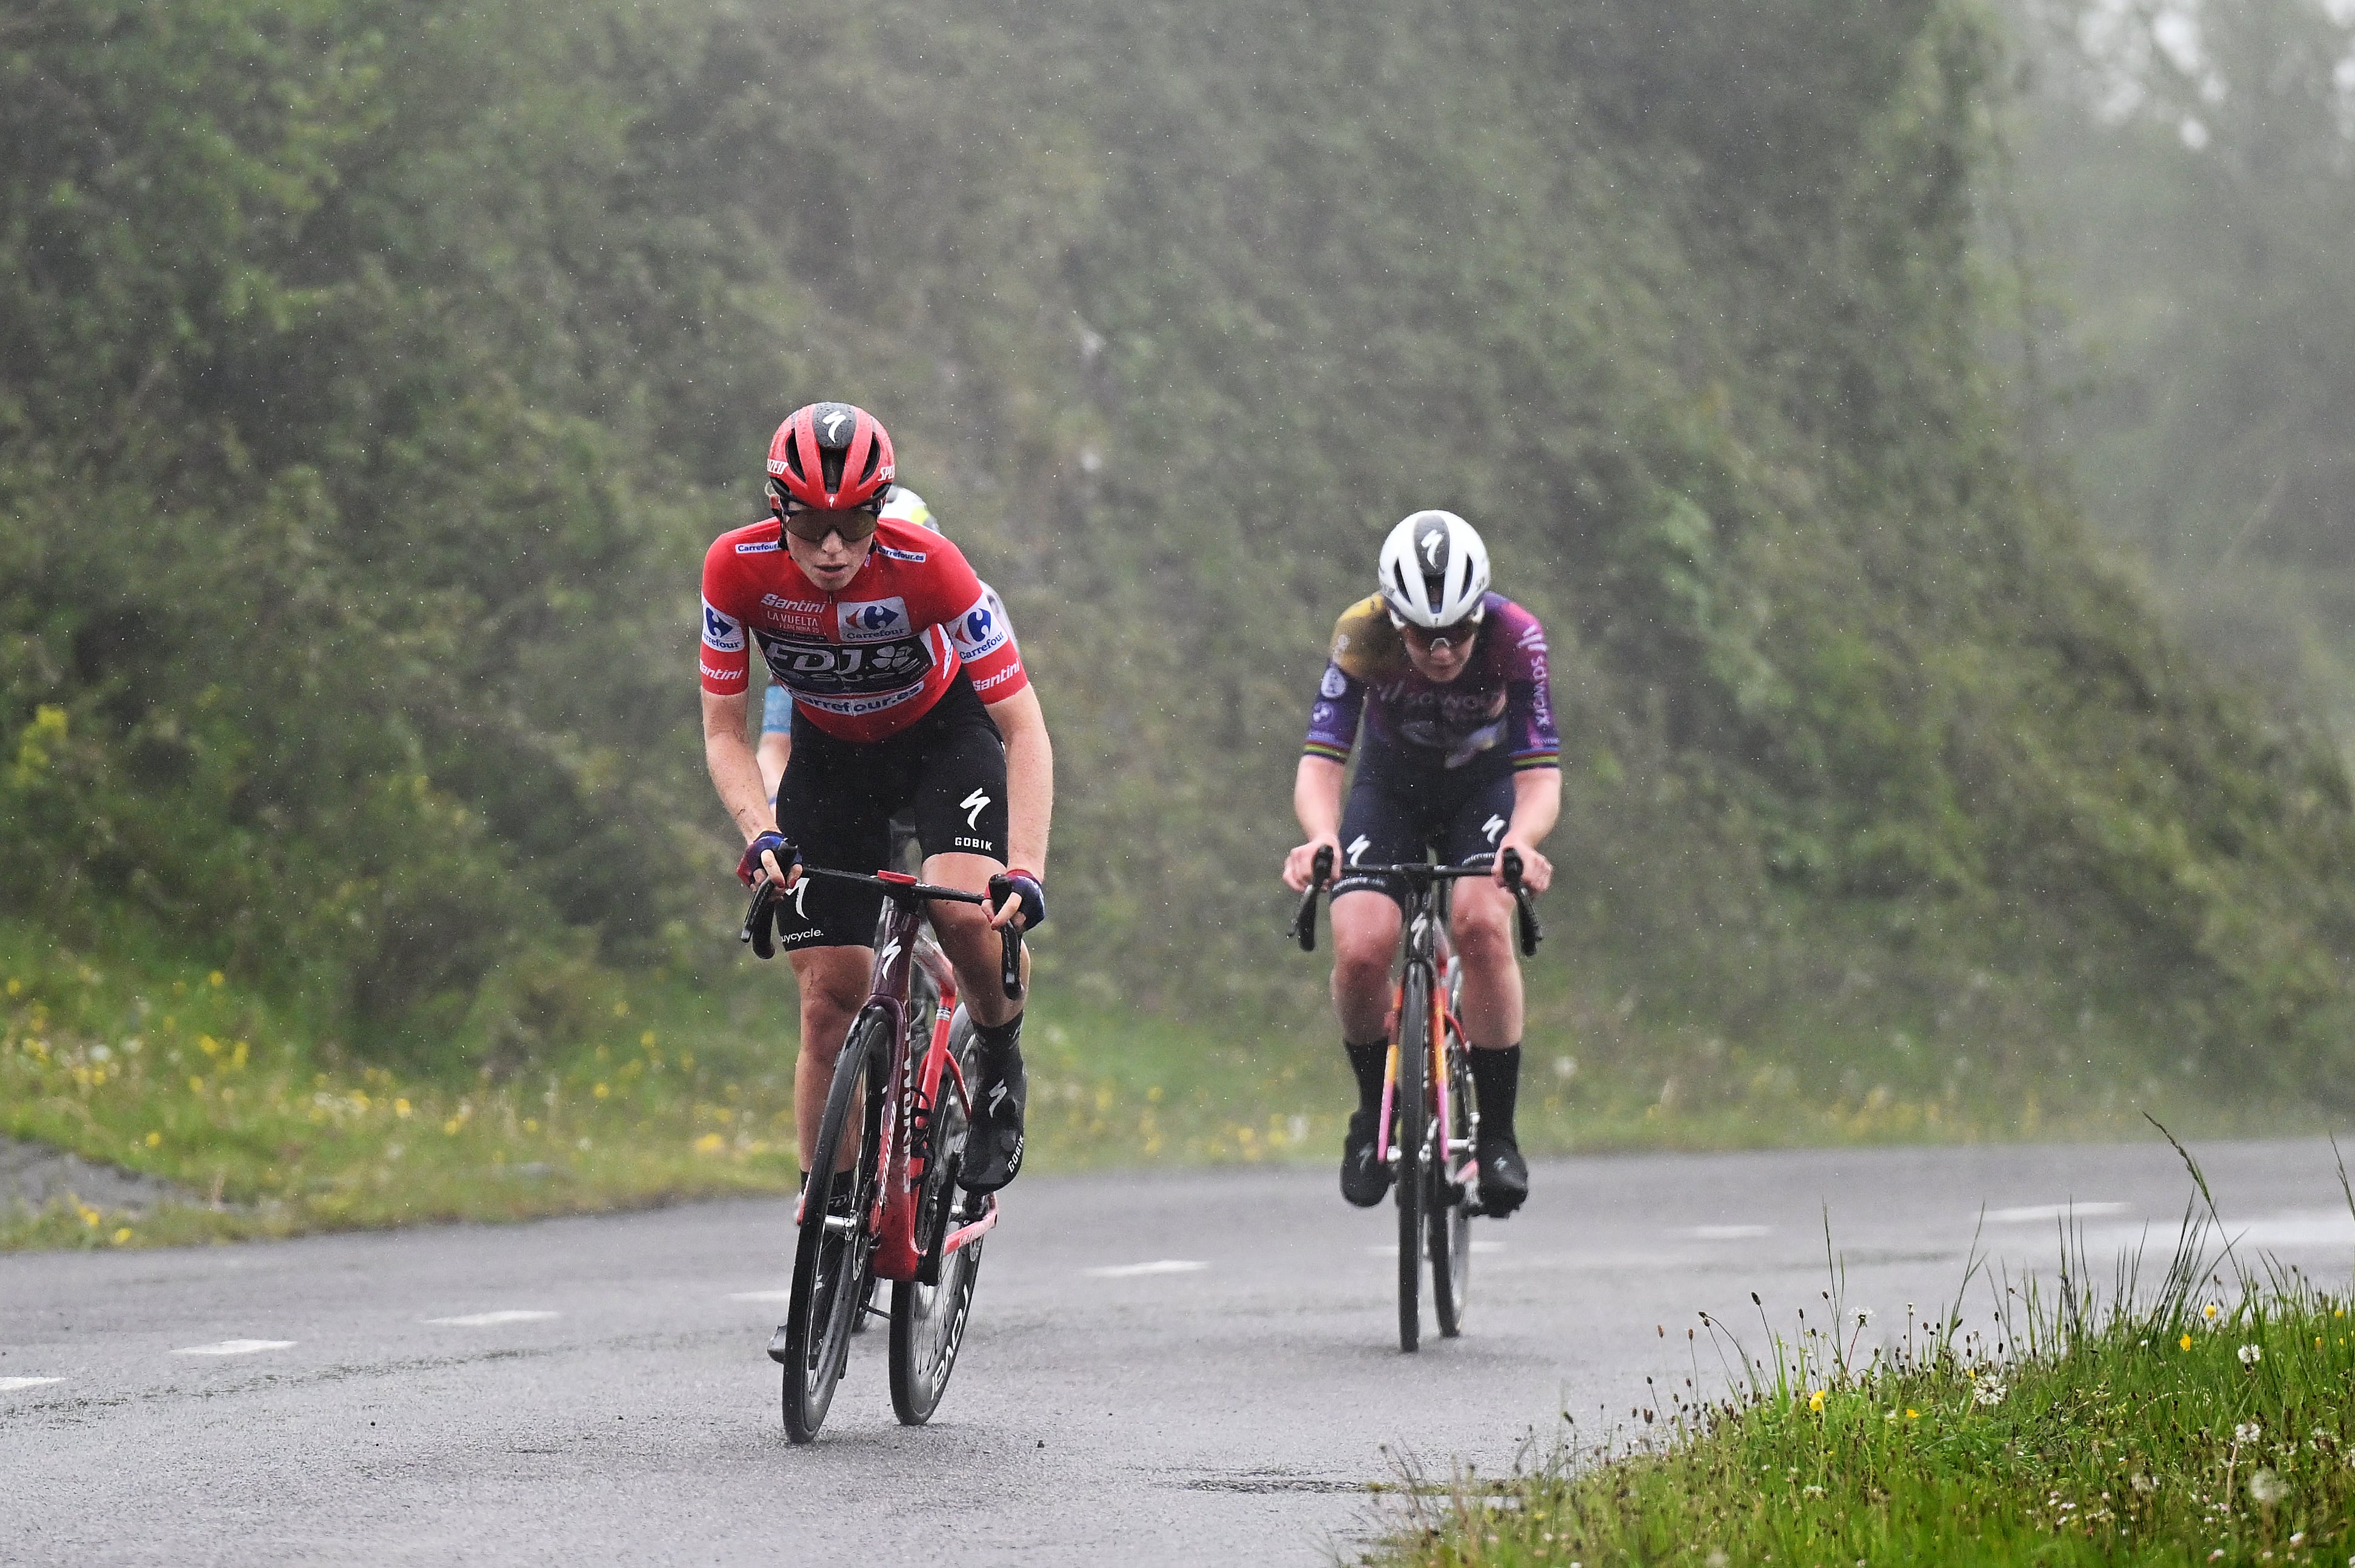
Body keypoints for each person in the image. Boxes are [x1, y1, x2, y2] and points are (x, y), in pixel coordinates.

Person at [701, 403, 1053, 1212]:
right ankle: (827, 1219)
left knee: (966, 916)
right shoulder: (735, 569)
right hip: (833, 756)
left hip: (942, 739)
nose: (833, 548)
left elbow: (1022, 727)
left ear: (881, 508)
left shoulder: (932, 566)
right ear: (777, 508)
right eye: (813, 524)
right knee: (829, 999)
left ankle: (1000, 1063)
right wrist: (761, 834)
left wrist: (1025, 868)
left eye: (856, 521)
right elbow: (725, 732)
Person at [1281, 510, 1558, 1217]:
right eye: (1423, 636)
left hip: (1483, 788)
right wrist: (1320, 836)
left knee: (1480, 924)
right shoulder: (1362, 633)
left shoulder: (1515, 636)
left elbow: (1539, 774)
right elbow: (1321, 760)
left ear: (1480, 613)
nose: (1442, 650)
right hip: (1390, 789)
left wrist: (1522, 841)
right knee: (1363, 946)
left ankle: (1496, 1134)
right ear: (1393, 620)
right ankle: (1372, 1112)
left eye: (1459, 631)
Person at [756, 484, 1019, 822]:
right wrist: (775, 808)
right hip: (851, 772)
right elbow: (775, 745)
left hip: (944, 755)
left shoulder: (975, 597)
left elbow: (1008, 726)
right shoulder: (809, 616)